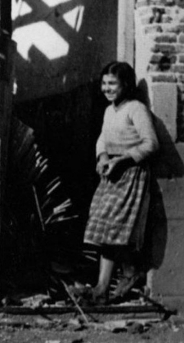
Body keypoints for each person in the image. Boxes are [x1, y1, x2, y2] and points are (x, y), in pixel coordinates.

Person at [82, 61, 159, 304]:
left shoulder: (135, 108)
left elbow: (151, 144)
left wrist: (123, 160)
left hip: (131, 173)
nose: (107, 89)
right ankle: (108, 283)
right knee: (104, 225)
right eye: (104, 84)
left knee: (114, 227)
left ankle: (115, 280)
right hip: (111, 173)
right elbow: (102, 139)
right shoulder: (109, 111)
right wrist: (103, 157)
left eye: (112, 83)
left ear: (125, 84)